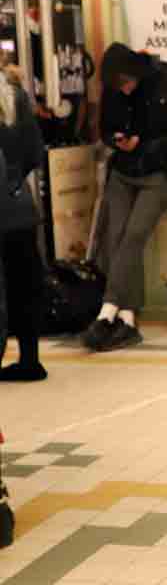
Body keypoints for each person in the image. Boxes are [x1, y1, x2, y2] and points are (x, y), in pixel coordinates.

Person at [84, 43, 167, 351]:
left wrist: (148, 145)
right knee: (115, 238)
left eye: (125, 83)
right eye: (116, 87)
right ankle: (128, 317)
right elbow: (106, 129)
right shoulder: (115, 90)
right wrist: (117, 140)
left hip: (161, 171)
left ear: (135, 71)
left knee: (133, 237)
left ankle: (107, 311)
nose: (122, 90)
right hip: (123, 172)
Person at [0, 72, 47, 381]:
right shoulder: (16, 96)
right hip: (18, 205)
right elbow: (34, 152)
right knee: (24, 286)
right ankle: (30, 360)